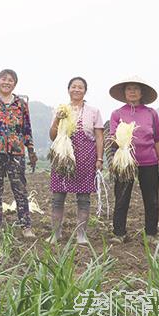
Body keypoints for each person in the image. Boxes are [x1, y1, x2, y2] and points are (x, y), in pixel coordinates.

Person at [0, 69, 37, 239]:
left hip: (16, 153)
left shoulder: (21, 104)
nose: (7, 82)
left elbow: (27, 129)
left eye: (10, 80)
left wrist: (31, 150)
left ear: (15, 84)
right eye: (3, 79)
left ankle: (26, 226)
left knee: (20, 190)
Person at [47, 77, 104, 245]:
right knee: (58, 197)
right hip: (63, 156)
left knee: (83, 199)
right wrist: (58, 119)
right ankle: (55, 234)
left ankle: (81, 235)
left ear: (85, 91)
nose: (77, 89)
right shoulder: (61, 109)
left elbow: (99, 136)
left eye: (80, 87)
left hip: (86, 156)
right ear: (68, 89)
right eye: (74, 87)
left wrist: (99, 158)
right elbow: (52, 136)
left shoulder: (93, 111)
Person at [108, 76, 159, 245]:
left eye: (136, 89)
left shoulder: (151, 113)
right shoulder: (117, 114)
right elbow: (112, 137)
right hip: (125, 163)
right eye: (129, 89)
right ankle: (119, 233)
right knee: (122, 197)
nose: (132, 92)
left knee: (152, 199)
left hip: (149, 162)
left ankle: (151, 234)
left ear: (141, 93)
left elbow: (157, 138)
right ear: (124, 93)